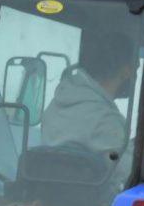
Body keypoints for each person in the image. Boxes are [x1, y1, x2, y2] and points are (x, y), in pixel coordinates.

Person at [38, 23, 136, 158]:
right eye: (135, 69)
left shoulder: (56, 105)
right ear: (125, 71)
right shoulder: (105, 121)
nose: (135, 76)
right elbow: (126, 171)